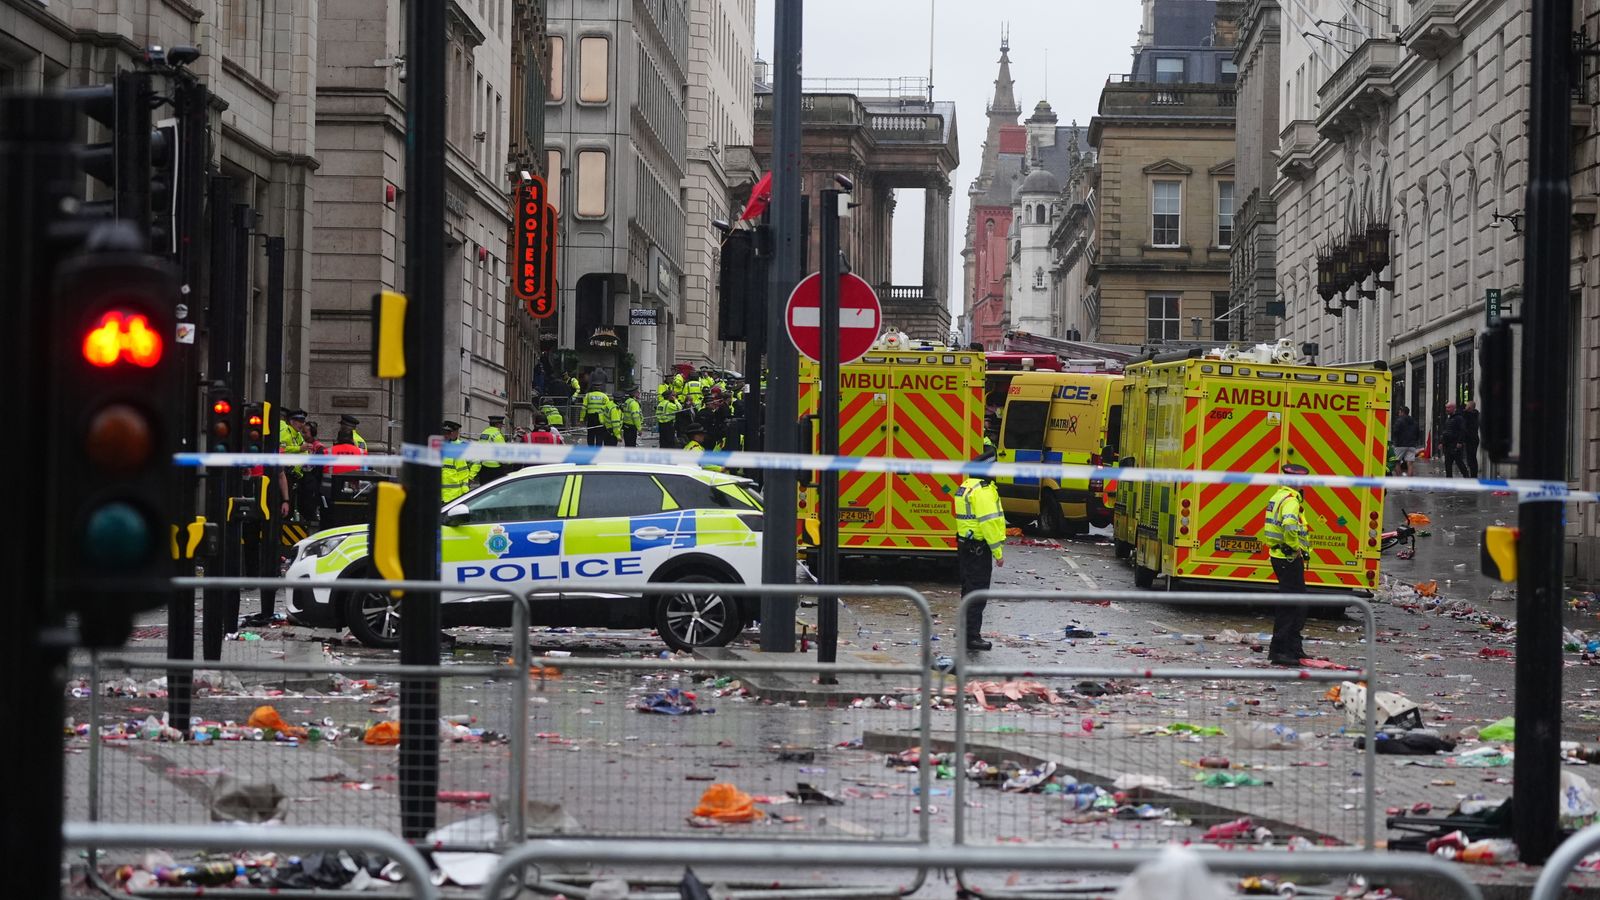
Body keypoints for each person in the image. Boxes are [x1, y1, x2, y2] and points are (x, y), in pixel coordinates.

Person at [954, 451, 1006, 651]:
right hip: (978, 548)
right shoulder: (983, 490)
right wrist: (998, 551)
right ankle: (971, 637)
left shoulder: (967, 486)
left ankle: (964, 630)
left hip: (965, 545)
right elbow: (989, 523)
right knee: (978, 592)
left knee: (968, 590)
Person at [1262, 463, 1312, 666]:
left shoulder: (1278, 496)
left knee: (1296, 604)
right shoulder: (1290, 501)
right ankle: (1280, 650)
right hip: (1288, 557)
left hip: (1280, 556)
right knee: (1292, 606)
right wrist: (1295, 547)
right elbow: (1290, 526)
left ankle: (1293, 648)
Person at [440, 421, 479, 503]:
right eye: (444, 433)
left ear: (456, 432)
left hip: (453, 496)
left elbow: (476, 462)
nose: (446, 435)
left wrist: (470, 477)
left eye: (449, 433)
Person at [1390, 406, 1422, 477]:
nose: (1398, 413)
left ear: (1402, 412)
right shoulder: (1414, 421)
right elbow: (1418, 433)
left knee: (1396, 462)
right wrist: (1414, 441)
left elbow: (1395, 431)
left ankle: (1400, 481)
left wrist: (1395, 441)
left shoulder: (1399, 420)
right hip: (1411, 445)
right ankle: (1409, 483)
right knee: (1410, 464)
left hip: (1400, 445)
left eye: (1399, 412)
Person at [478, 414, 508, 483]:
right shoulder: (498, 436)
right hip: (496, 469)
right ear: (498, 424)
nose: (501, 427)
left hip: (484, 467)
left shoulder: (484, 433)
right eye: (501, 425)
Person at [1441, 402, 1468, 478]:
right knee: (1448, 464)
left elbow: (1462, 430)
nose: (1447, 409)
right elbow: (1446, 431)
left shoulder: (1459, 418)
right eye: (1446, 407)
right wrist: (1442, 442)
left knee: (1459, 462)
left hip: (1455, 444)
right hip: (1448, 445)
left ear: (1453, 408)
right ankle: (1449, 479)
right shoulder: (1449, 419)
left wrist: (1460, 442)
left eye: (1448, 408)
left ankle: (1466, 476)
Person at [1463, 400, 1481, 478]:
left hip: (1472, 439)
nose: (1465, 407)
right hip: (1472, 439)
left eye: (1466, 406)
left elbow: (1462, 413)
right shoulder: (1475, 414)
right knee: (1471, 458)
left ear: (1469, 407)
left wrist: (1466, 410)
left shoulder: (1471, 415)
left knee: (1471, 458)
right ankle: (1473, 474)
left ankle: (1473, 475)